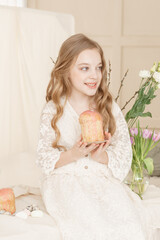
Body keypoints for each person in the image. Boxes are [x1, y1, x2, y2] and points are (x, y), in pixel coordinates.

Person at [36, 33, 159, 240]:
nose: (94, 75)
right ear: (66, 71)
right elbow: (44, 157)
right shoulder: (54, 108)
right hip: (66, 181)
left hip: (102, 179)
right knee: (86, 222)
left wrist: (102, 157)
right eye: (85, 68)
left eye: (98, 67)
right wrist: (74, 153)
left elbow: (122, 153)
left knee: (128, 223)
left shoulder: (108, 107)